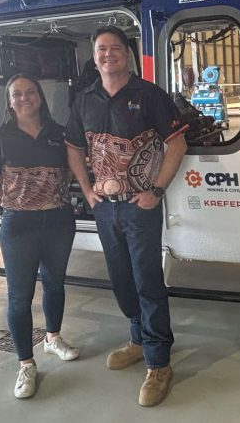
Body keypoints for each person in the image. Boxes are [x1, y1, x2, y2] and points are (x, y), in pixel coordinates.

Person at [65, 26, 187, 408]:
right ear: (94, 56)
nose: (108, 54)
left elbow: (177, 144)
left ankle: (159, 362)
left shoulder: (149, 95)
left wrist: (157, 191)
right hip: (105, 208)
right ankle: (138, 339)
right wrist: (87, 190)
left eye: (115, 48)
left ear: (127, 54)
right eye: (101, 49)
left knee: (147, 280)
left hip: (139, 207)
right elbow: (73, 147)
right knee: (121, 280)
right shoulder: (85, 100)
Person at [0, 73, 79, 399]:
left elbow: (73, 166)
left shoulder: (58, 134)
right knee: (19, 297)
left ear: (40, 97)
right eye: (17, 94)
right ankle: (26, 363)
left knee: (54, 283)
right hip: (18, 226)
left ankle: (53, 338)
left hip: (59, 221)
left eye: (31, 92)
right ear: (9, 101)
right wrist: (14, 204)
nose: (25, 98)